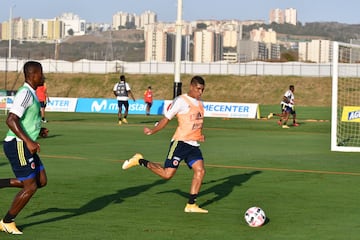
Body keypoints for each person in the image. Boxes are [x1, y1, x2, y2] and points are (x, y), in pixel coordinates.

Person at [122, 76, 208, 213]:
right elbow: (166, 119)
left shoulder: (199, 102)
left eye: (202, 90)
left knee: (200, 171)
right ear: (191, 87)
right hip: (180, 143)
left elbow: (195, 122)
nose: (200, 92)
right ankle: (139, 160)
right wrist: (152, 131)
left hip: (193, 145)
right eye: (198, 89)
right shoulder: (181, 101)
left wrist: (199, 135)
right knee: (167, 175)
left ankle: (191, 204)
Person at [0, 61, 48, 235]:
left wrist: (38, 130)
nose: (42, 76)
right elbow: (11, 119)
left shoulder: (32, 94)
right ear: (32, 74)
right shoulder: (25, 94)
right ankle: (7, 221)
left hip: (25, 144)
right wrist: (28, 141)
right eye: (40, 73)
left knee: (41, 180)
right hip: (18, 145)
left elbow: (24, 120)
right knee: (31, 186)